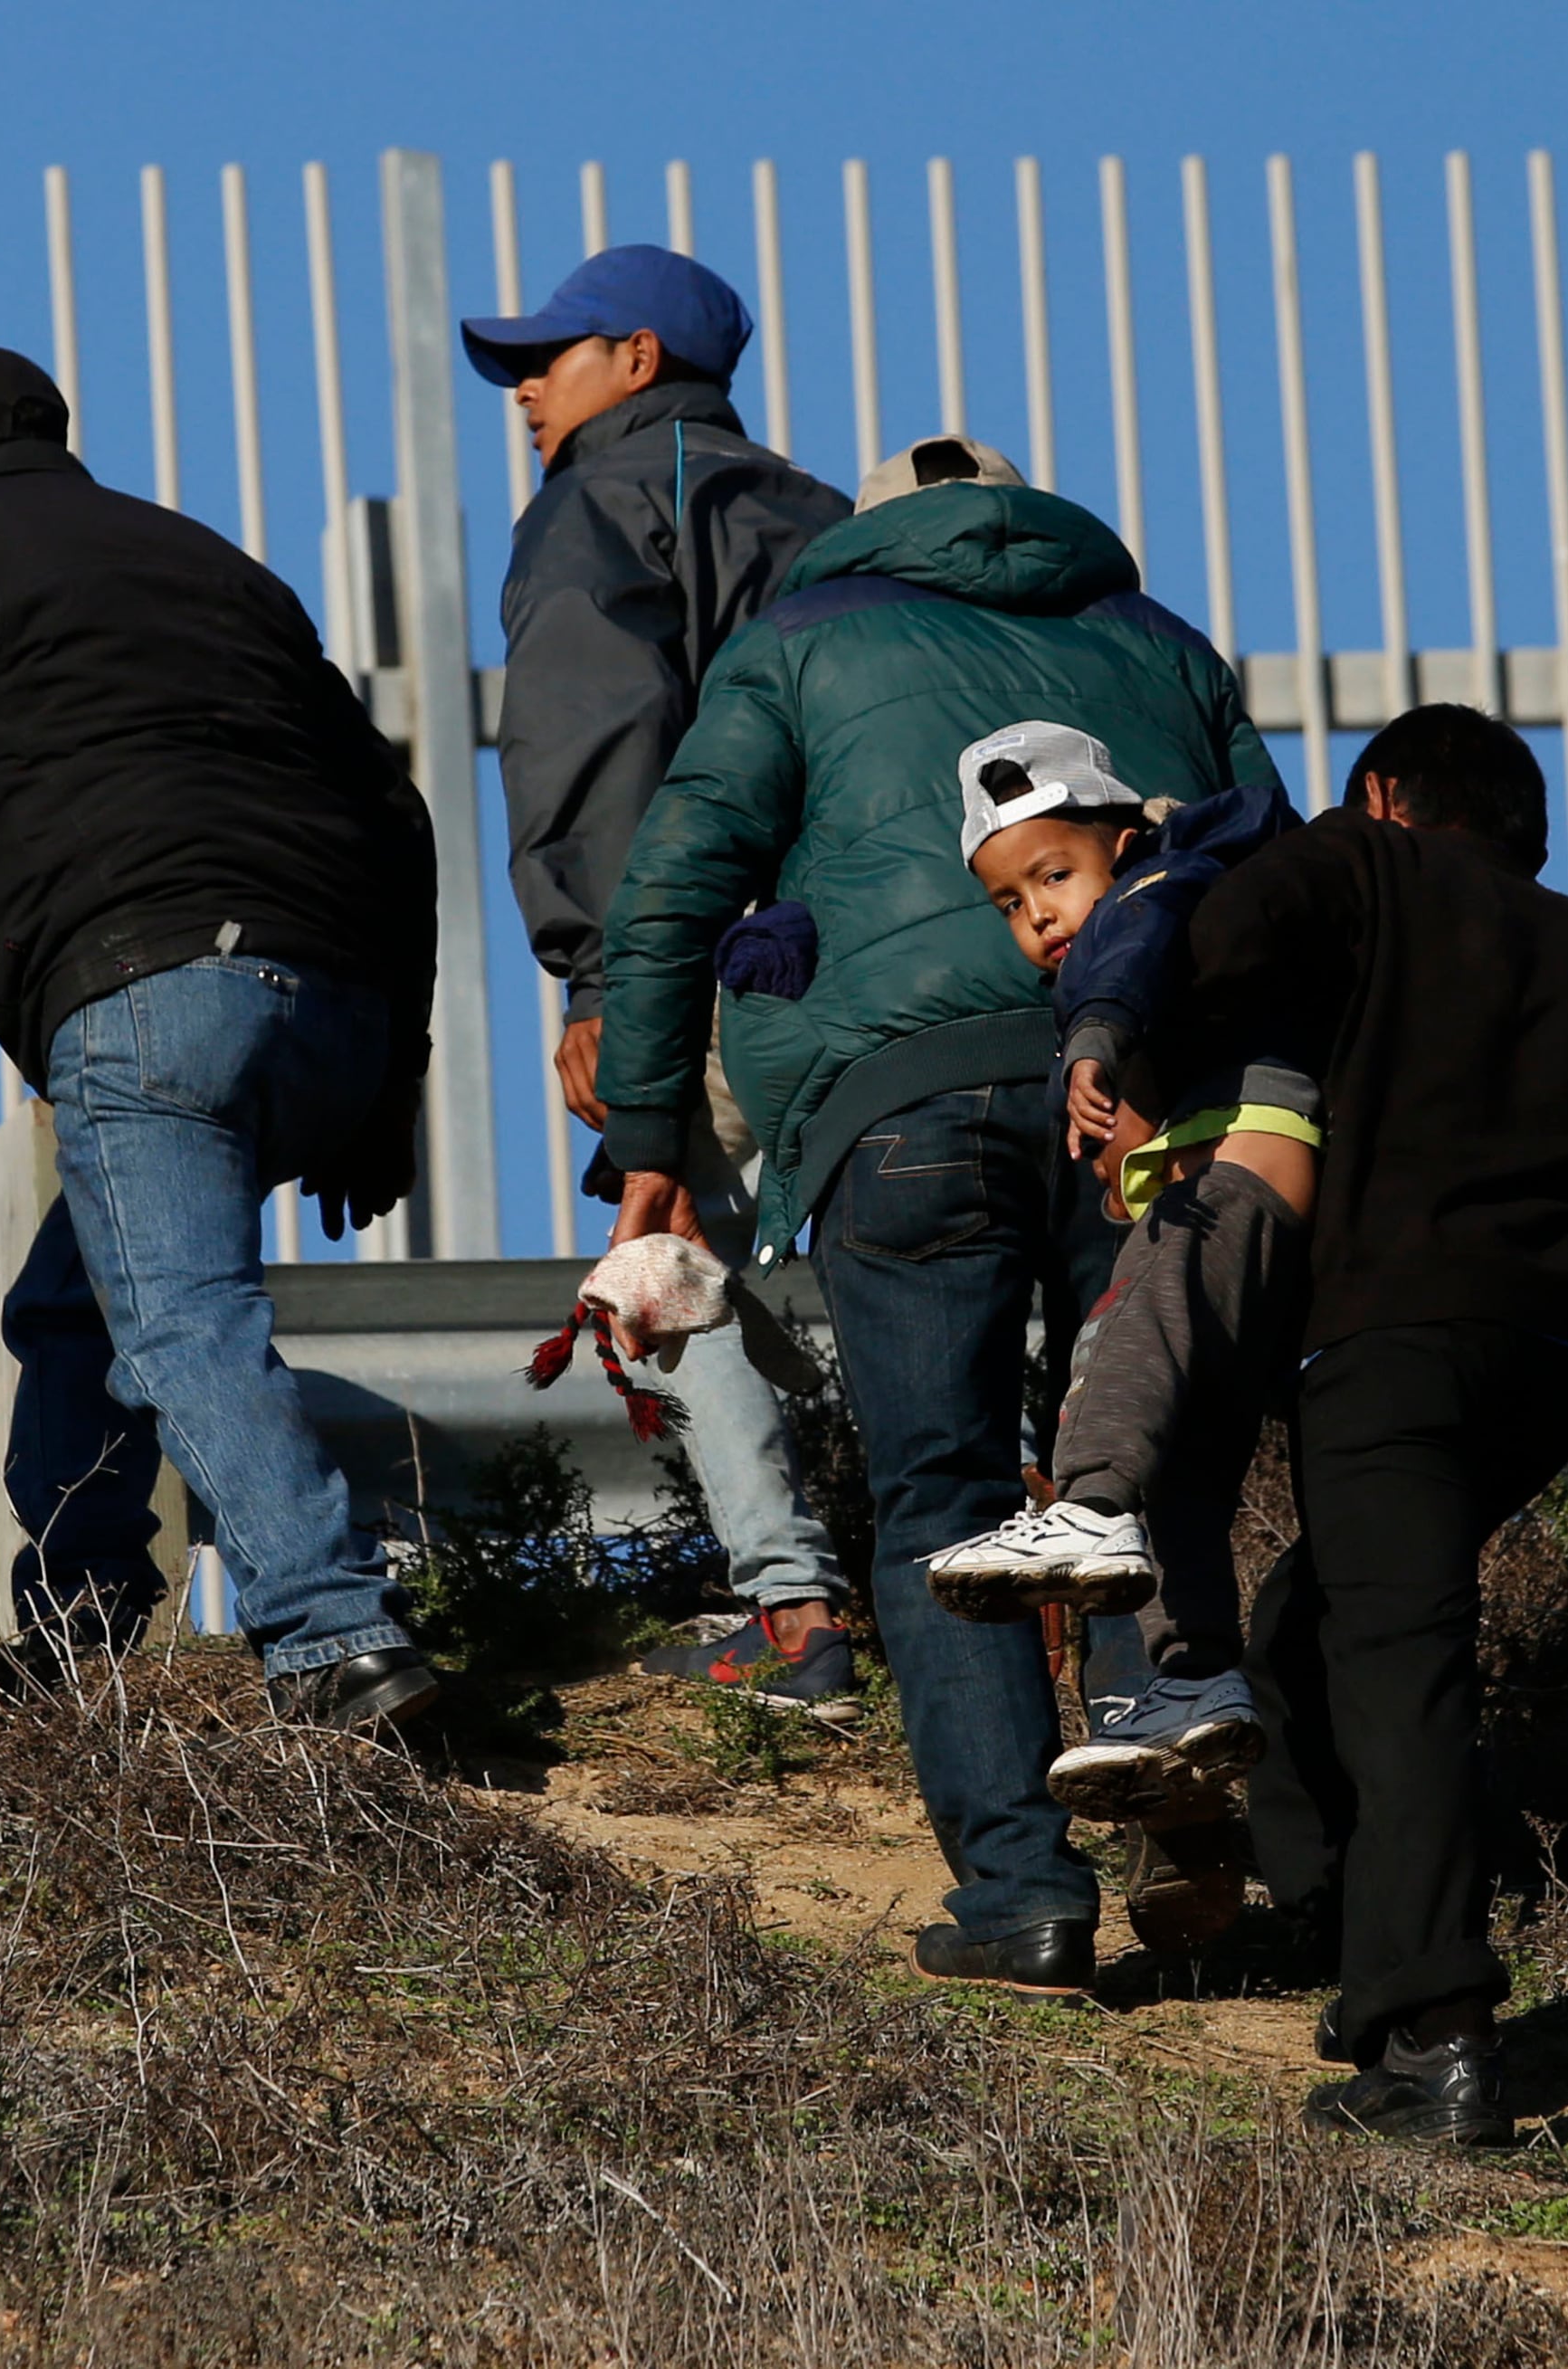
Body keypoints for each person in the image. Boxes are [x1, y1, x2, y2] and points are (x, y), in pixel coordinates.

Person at [599, 433, 1284, 1993]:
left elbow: (674, 875)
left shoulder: (798, 639)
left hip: (897, 1109)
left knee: (940, 1491)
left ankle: (1019, 1895)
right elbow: (1270, 872)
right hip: (1140, 1096)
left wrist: (649, 1130)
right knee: (1143, 1456)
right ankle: (1162, 1758)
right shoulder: (1160, 642)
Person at [0, 342, 443, 1731]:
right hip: (332, 1003)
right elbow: (397, 812)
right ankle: (78, 1645)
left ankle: (339, 1630)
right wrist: (386, 1084)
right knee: (72, 1304)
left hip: (153, 994)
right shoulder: (215, 566)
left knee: (179, 1320)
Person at [1140, 704, 1568, 2144]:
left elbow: (1221, 941)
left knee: (1396, 1664)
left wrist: (1157, 1046)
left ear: (1383, 792)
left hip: (1392, 1340)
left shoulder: (1363, 861)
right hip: (1551, 1366)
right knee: (1313, 1619)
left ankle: (1435, 2041)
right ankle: (1336, 1923)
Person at [459, 245, 858, 1715]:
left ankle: (792, 1608)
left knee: (668, 1232)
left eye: (542, 361)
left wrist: (595, 978)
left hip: (699, 949)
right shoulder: (819, 513)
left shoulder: (594, 506)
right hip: (864, 956)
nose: (520, 395)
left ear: (634, 358)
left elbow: (597, 747)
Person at [924, 718, 1314, 1823]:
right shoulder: (1141, 913)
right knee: (1181, 1463)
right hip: (1225, 1209)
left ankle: (1088, 1504)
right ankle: (1189, 1682)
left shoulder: (1159, 881)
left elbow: (1125, 946)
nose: (1037, 912)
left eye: (1052, 873)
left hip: (1239, 1182)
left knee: (1125, 1342)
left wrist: (1092, 1037)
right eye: (1007, 900)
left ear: (1119, 836)